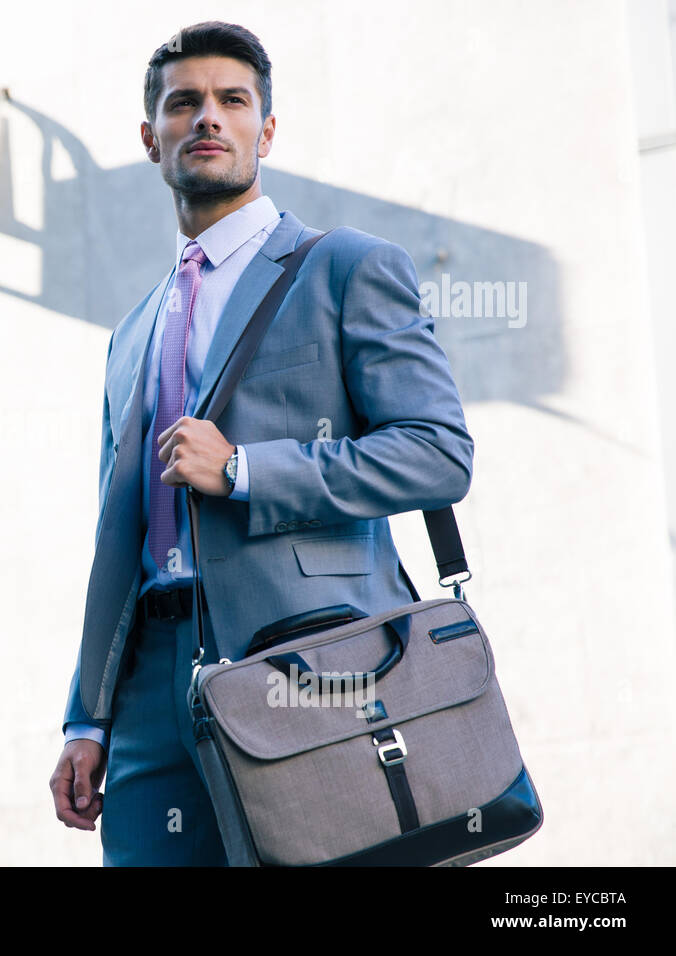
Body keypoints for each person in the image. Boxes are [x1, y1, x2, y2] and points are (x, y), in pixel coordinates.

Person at [48, 20, 474, 866]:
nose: (208, 117)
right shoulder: (131, 331)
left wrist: (244, 469)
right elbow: (115, 536)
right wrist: (87, 715)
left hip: (312, 667)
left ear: (265, 131)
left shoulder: (346, 267)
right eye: (184, 103)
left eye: (231, 100)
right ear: (150, 138)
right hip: (148, 695)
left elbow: (437, 453)